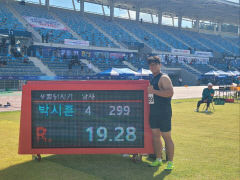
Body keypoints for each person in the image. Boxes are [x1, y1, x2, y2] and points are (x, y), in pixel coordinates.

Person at [147, 56, 174, 170]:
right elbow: (151, 97)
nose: (152, 67)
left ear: (160, 65)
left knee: (166, 137)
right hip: (154, 112)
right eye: (151, 65)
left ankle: (170, 162)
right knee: (155, 136)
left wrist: (153, 91)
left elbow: (170, 93)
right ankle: (158, 159)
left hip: (164, 112)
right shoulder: (152, 78)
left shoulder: (164, 77)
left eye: (155, 64)